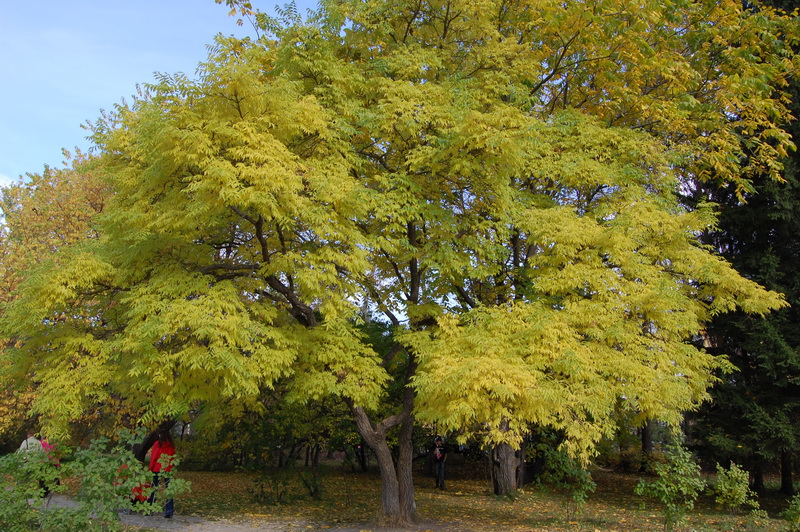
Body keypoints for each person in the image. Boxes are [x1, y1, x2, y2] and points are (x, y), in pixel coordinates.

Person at [147, 430, 176, 518]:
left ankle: (149, 509)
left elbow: (154, 457)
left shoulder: (157, 444)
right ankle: (169, 511)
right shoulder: (171, 445)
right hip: (168, 468)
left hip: (157, 468)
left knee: (153, 489)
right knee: (169, 490)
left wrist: (150, 468)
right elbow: (173, 457)